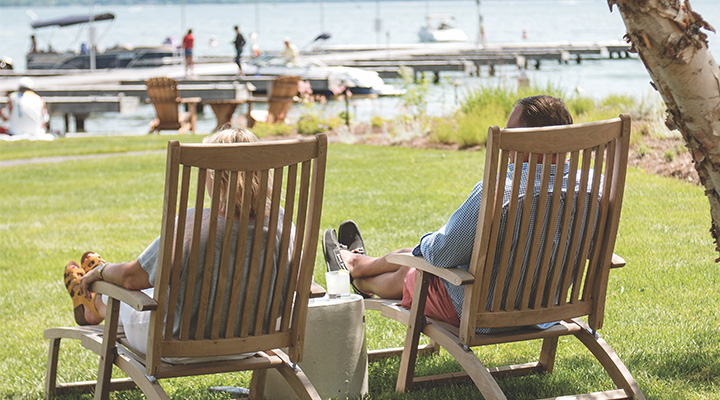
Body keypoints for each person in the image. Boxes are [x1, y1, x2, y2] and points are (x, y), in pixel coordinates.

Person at [323, 95, 576, 331]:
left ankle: (354, 275)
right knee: (409, 258)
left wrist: (426, 244)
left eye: (512, 135)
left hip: (482, 310)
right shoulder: (589, 190)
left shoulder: (502, 191)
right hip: (547, 308)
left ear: (537, 143)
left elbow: (443, 253)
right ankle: (355, 264)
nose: (507, 148)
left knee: (413, 267)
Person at [63, 127, 293, 354]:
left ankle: (96, 303)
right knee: (162, 291)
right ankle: (96, 298)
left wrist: (102, 273)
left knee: (122, 296)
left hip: (177, 343)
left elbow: (131, 279)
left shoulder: (193, 224)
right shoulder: (282, 225)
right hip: (253, 343)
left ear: (216, 177)